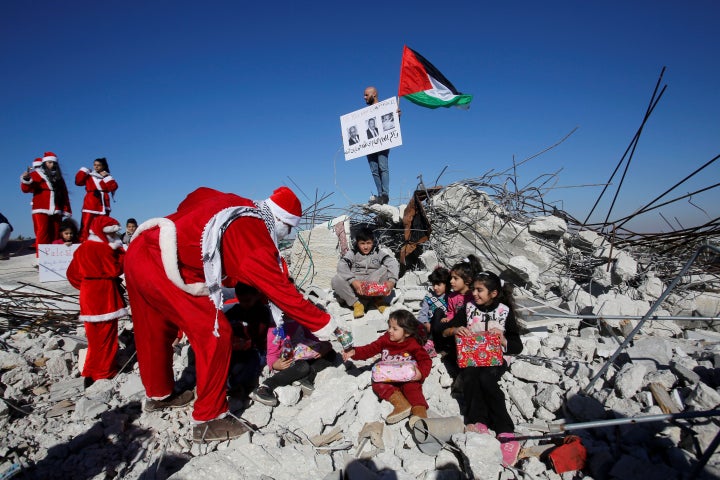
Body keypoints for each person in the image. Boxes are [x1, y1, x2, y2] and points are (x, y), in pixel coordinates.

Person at [124, 186, 338, 443]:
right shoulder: (252, 232)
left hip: (140, 249)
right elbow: (282, 292)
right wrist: (326, 325)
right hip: (165, 263)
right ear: (281, 220)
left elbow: (195, 195)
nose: (287, 234)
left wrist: (189, 226)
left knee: (154, 327)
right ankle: (209, 419)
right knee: (215, 333)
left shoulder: (239, 204)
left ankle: (158, 395)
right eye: (289, 229)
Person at [438, 270, 523, 466]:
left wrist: (503, 339)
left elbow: (517, 345)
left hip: (496, 358)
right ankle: (479, 421)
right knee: (470, 375)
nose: (474, 294)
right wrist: (455, 329)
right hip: (472, 357)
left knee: (487, 379)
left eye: (479, 290)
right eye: (474, 289)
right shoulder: (468, 308)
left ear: (493, 293)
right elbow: (445, 330)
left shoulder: (504, 311)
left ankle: (505, 431)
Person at [66, 216, 128, 387]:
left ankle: (89, 371)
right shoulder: (105, 250)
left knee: (93, 338)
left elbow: (72, 274)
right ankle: (104, 372)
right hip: (105, 295)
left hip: (88, 295)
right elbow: (115, 269)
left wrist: (86, 286)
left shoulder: (82, 248)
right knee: (107, 337)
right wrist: (121, 252)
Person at [342, 309, 431, 425]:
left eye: (394, 329)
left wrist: (421, 373)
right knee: (378, 383)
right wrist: (354, 352)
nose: (389, 331)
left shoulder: (413, 344)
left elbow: (425, 360)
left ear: (407, 333)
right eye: (389, 327)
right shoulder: (385, 339)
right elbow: (370, 349)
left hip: (406, 376)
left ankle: (420, 414)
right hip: (388, 375)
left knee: (412, 388)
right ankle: (401, 404)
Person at [250, 315, 336, 407]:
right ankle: (266, 386)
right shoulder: (275, 329)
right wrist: (275, 365)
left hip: (303, 353)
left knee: (331, 353)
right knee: (303, 366)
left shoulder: (299, 320)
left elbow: (311, 336)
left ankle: (305, 379)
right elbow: (271, 354)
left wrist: (325, 345)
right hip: (288, 360)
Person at [331, 226, 400, 319]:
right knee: (336, 279)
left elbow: (392, 263)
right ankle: (357, 304)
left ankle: (378, 300)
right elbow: (342, 265)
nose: (366, 247)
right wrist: (353, 281)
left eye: (368, 243)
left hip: (373, 287)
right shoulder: (353, 253)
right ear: (357, 243)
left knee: (386, 268)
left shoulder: (378, 252)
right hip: (357, 288)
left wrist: (392, 281)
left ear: (372, 242)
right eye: (362, 243)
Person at [224, 283, 273, 397]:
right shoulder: (236, 309)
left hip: (257, 348)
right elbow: (224, 322)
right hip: (238, 347)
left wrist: (242, 333)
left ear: (257, 296)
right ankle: (222, 381)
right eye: (241, 300)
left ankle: (238, 384)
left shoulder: (262, 312)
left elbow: (258, 334)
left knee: (253, 363)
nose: (244, 304)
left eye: (247, 300)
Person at [431, 255, 482, 355]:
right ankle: (439, 347)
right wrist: (448, 318)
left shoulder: (474, 296)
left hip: (467, 328)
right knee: (438, 313)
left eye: (455, 278)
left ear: (467, 280)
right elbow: (451, 312)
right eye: (451, 278)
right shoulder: (452, 296)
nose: (451, 281)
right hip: (453, 326)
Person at [20, 152, 72, 251]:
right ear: (44, 163)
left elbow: (64, 194)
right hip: (41, 208)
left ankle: (55, 256)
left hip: (57, 208)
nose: (51, 165)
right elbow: (26, 189)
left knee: (56, 232)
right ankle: (41, 257)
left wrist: (66, 209)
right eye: (49, 162)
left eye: (53, 163)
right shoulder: (36, 174)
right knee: (42, 232)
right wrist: (26, 179)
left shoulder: (59, 178)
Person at [75, 157, 119, 242]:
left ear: (103, 166)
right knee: (86, 223)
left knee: (103, 224)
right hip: (90, 202)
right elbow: (78, 182)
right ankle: (83, 241)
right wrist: (84, 171)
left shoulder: (107, 176)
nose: (96, 167)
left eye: (99, 165)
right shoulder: (89, 176)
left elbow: (113, 187)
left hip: (104, 203)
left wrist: (106, 177)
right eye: (95, 165)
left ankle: (102, 241)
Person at [364, 86, 390, 205]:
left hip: (382, 142)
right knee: (374, 169)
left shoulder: (385, 107)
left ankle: (385, 194)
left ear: (374, 94)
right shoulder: (364, 114)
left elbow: (391, 124)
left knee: (382, 166)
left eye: (366, 95)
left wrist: (397, 116)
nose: (364, 97)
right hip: (369, 145)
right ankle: (379, 195)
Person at [417, 266, 450, 332]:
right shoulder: (429, 297)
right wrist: (426, 323)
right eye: (433, 284)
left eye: (438, 284)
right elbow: (422, 314)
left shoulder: (451, 297)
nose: (435, 287)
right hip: (431, 328)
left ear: (446, 284)